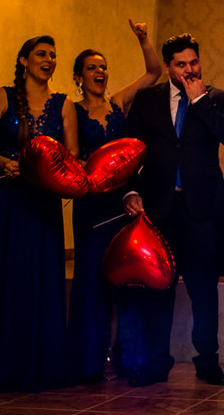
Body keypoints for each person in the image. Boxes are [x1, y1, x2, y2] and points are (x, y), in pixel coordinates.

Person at [0, 35, 78, 392]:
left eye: (53, 55)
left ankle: (39, 366)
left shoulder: (64, 105)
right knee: (3, 275)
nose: (49, 60)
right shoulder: (2, 96)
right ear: (24, 60)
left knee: (38, 277)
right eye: (41, 54)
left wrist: (53, 170)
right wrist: (3, 162)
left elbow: (71, 154)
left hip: (42, 200)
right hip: (6, 198)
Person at [122, 34, 224, 387]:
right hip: (158, 208)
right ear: (169, 67)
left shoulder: (218, 98)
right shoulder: (148, 99)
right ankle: (156, 362)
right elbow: (130, 148)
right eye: (181, 64)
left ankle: (207, 363)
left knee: (204, 289)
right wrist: (129, 189)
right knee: (158, 288)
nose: (189, 70)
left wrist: (199, 100)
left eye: (194, 62)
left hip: (201, 210)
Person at [65, 19, 162, 384]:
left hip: (122, 202)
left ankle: (133, 361)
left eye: (103, 67)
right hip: (91, 203)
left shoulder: (118, 104)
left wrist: (143, 39)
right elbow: (71, 156)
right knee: (91, 282)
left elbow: (153, 71)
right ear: (79, 77)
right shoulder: (71, 111)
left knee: (126, 280)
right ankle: (88, 363)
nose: (100, 72)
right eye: (92, 68)